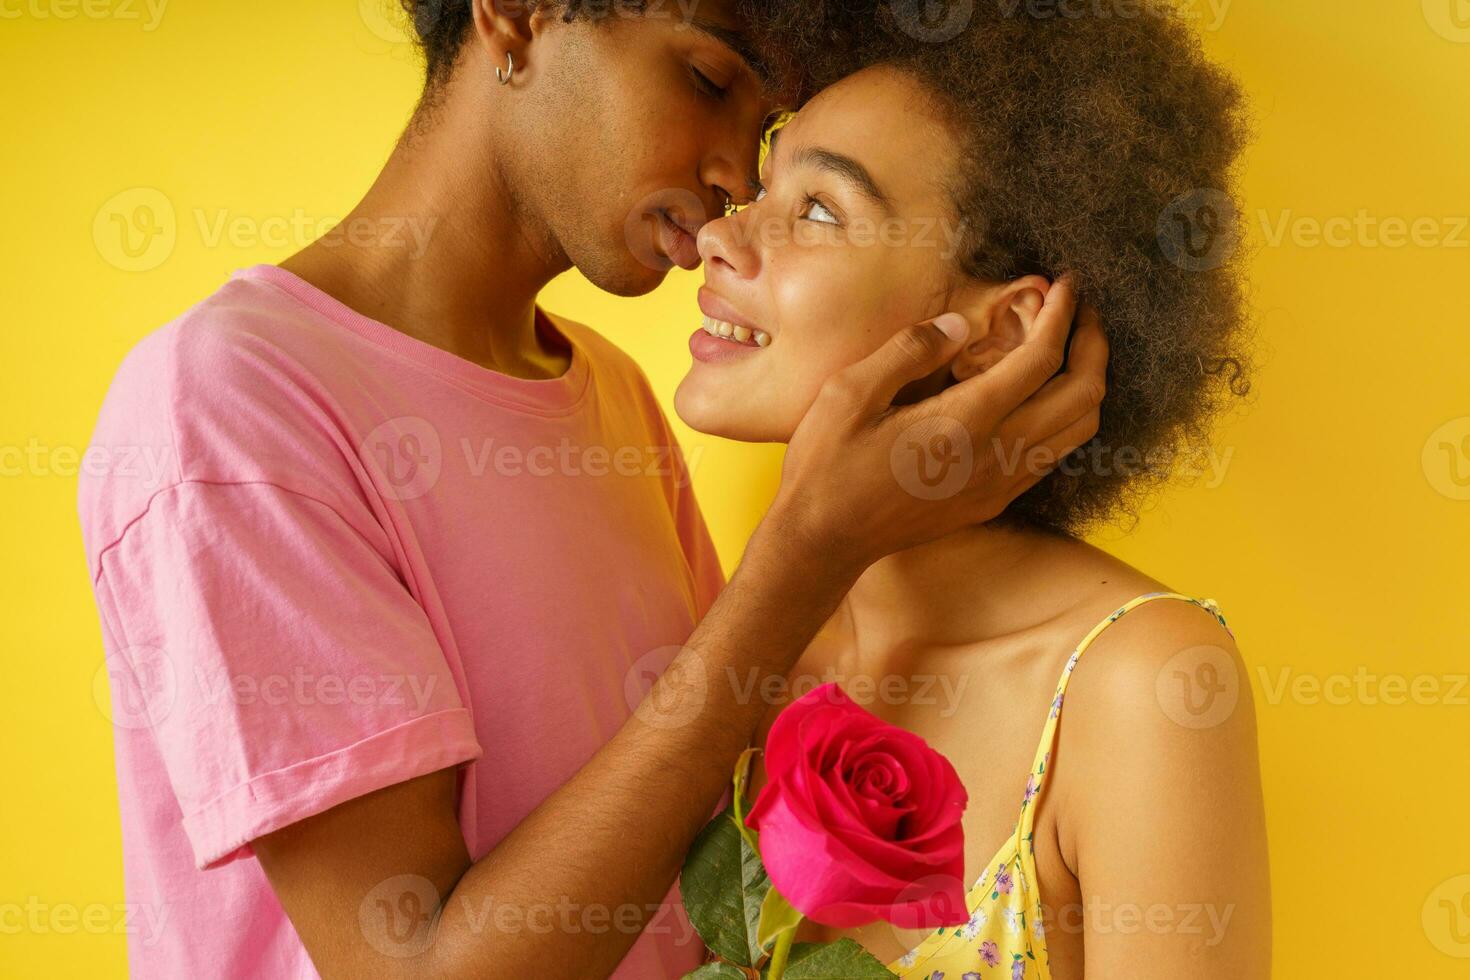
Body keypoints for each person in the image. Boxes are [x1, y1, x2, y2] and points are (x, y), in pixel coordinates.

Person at [75, 0, 1106, 977]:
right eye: (707, 78)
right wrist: (805, 553)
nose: (731, 179)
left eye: (766, 130)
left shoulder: (605, 392)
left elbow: (702, 826)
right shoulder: (232, 404)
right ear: (518, 15)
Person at [679, 6, 1269, 978]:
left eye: (819, 209)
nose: (719, 236)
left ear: (1003, 329)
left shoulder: (1139, 686)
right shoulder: (749, 618)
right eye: (764, 181)